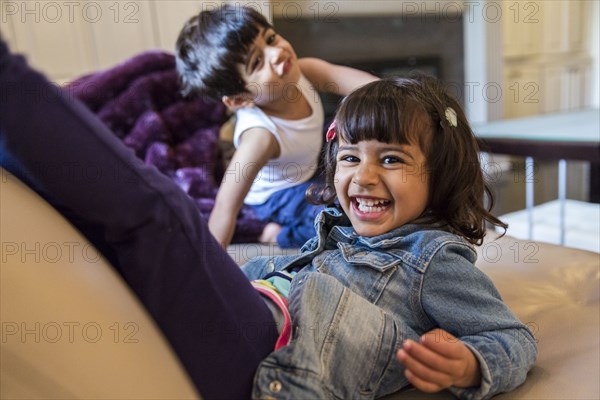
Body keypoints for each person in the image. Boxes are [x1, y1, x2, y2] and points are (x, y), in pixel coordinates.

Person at [0, 37, 537, 400]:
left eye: (391, 159)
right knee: (116, 246)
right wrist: (226, 271)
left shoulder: (432, 261)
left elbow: (513, 337)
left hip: (269, 360)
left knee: (162, 216)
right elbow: (282, 279)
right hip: (252, 328)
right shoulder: (338, 235)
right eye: (349, 158)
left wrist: (470, 364)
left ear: (441, 175)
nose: (363, 176)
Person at [175, 5, 378, 248]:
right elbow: (224, 208)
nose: (276, 53)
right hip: (278, 195)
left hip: (309, 161)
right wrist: (211, 270)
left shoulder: (305, 71)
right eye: (257, 62)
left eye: (270, 38)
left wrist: (404, 98)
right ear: (240, 99)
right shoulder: (260, 137)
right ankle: (275, 235)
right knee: (340, 216)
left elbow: (369, 90)